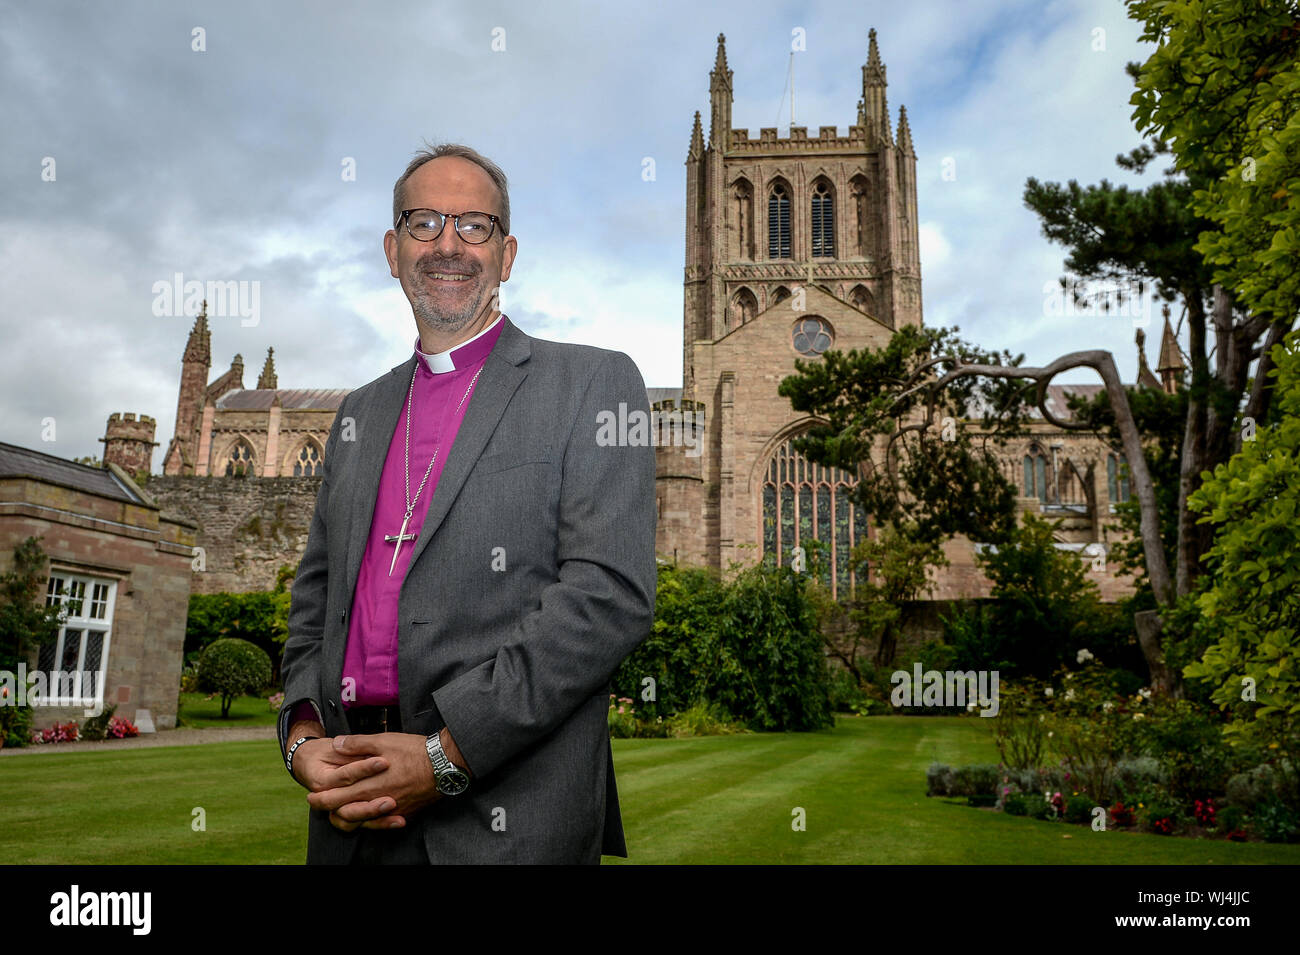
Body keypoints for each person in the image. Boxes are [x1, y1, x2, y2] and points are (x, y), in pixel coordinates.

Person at [276, 143, 657, 864]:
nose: (448, 244)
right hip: (349, 815)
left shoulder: (592, 382)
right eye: (424, 223)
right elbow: (314, 606)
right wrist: (301, 739)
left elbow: (609, 595)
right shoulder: (360, 411)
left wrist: (446, 753)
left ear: (506, 254)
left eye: (474, 226)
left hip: (508, 823)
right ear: (393, 250)